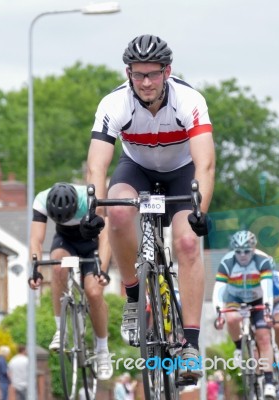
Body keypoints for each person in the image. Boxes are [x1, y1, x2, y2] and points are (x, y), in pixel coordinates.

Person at [80, 34, 215, 383]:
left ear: (167, 71)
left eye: (153, 74)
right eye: (138, 75)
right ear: (128, 73)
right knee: (119, 210)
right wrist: (95, 210)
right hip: (136, 168)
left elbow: (206, 164)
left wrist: (200, 209)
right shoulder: (114, 103)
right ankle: (134, 296)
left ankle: (190, 345)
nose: (146, 82)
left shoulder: (189, 100)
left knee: (186, 244)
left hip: (182, 174)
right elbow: (96, 165)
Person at [27, 182, 113, 380]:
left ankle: (102, 350)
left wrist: (103, 269)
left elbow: (106, 236)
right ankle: (61, 330)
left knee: (93, 292)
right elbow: (36, 240)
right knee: (57, 267)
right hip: (65, 241)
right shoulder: (41, 200)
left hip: (93, 242)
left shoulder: (89, 198)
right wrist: (35, 269)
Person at [212, 230, 276, 398]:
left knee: (263, 336)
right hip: (235, 297)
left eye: (246, 251)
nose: (242, 255)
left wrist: (268, 307)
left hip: (258, 299)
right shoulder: (226, 262)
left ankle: (269, 382)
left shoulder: (262, 260)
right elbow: (218, 290)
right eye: (238, 251)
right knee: (231, 318)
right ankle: (239, 348)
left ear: (253, 249)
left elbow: (267, 287)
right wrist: (218, 312)